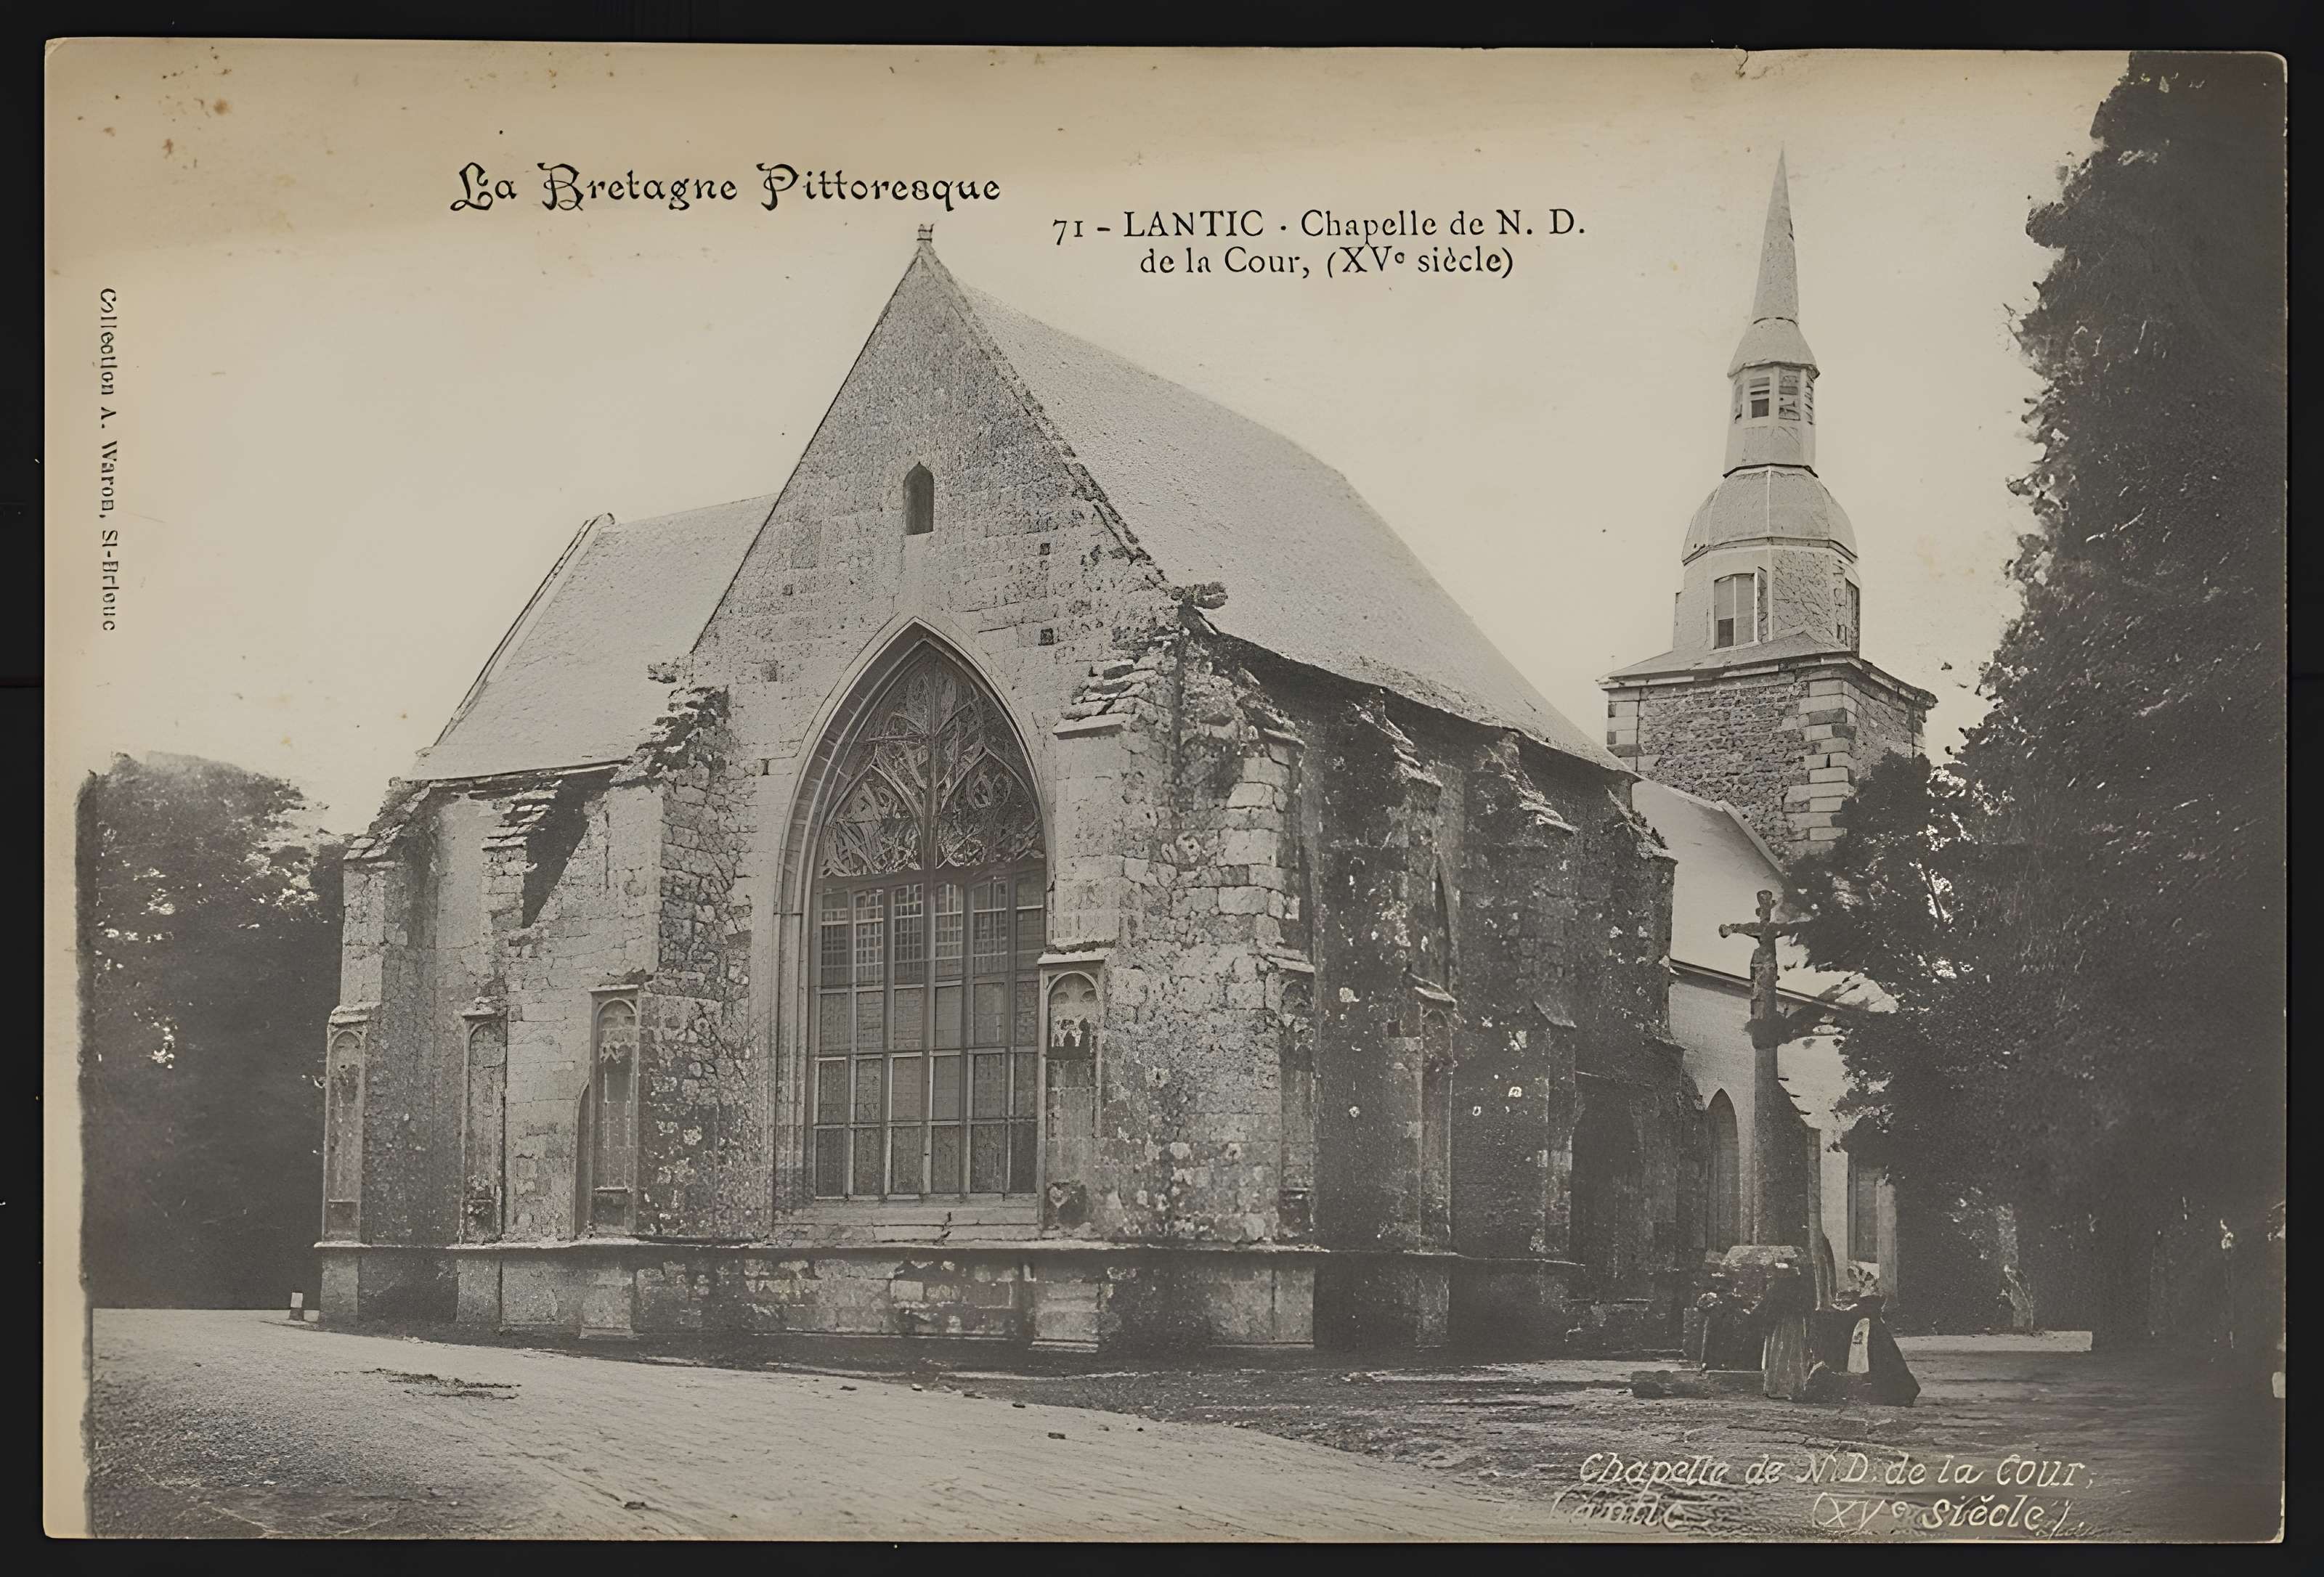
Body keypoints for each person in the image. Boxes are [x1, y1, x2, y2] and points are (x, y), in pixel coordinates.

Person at [1847, 1294, 1920, 1406]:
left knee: (1882, 1356)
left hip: (1869, 1316)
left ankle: (1896, 1391)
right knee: (1880, 1356)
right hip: (1868, 1315)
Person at [1757, 1263, 1813, 1401]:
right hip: (1794, 1323)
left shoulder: (1777, 1289)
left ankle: (1779, 1386)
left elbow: (1770, 1308)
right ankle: (1790, 1387)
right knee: (1791, 1353)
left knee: (1780, 1353)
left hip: (1783, 1324)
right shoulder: (1798, 1289)